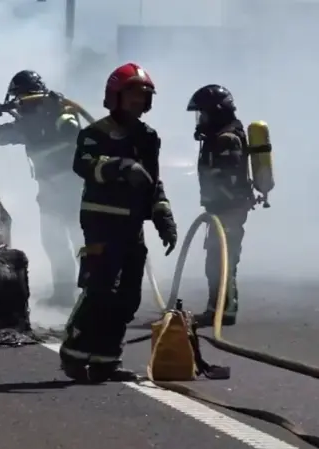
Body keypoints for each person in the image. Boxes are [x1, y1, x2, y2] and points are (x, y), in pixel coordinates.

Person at [59, 62, 178, 383]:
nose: (139, 101)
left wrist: (163, 216)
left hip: (132, 227)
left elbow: (153, 182)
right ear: (116, 96)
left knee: (127, 298)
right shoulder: (94, 134)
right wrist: (120, 167)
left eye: (144, 96)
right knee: (100, 291)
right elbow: (82, 164)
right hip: (101, 222)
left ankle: (106, 360)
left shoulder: (148, 137)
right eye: (133, 95)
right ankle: (74, 351)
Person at [0, 70, 84, 307]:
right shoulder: (27, 124)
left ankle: (93, 293)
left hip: (74, 188)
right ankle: (64, 295)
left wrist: (55, 114)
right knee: (54, 242)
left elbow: (73, 133)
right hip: (49, 191)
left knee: (81, 242)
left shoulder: (61, 111)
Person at [187, 84, 253, 327]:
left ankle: (223, 311)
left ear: (215, 112)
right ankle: (218, 308)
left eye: (203, 114)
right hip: (223, 209)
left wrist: (218, 200)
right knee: (218, 259)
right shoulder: (220, 137)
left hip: (228, 210)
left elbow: (229, 178)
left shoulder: (226, 139)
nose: (200, 119)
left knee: (222, 260)